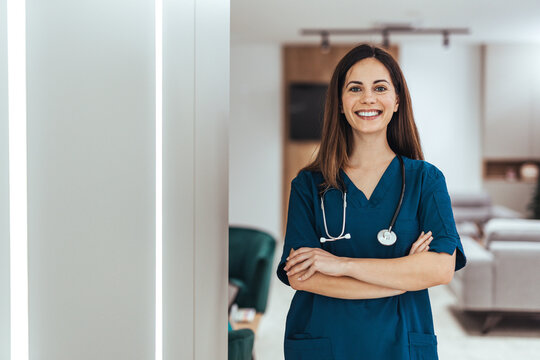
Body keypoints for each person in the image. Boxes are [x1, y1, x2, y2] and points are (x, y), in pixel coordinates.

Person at [276, 44, 467, 360]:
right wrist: (401, 278)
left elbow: (440, 268)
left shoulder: (425, 180)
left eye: (380, 88)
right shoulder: (309, 184)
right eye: (355, 88)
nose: (368, 98)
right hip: (326, 342)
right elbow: (300, 275)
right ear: (340, 103)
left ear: (396, 101)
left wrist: (340, 265)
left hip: (400, 343)